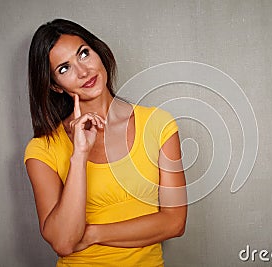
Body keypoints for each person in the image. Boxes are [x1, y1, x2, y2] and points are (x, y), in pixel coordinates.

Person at [24, 18, 187, 267]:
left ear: (98, 52)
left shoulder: (158, 125)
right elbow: (65, 242)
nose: (83, 71)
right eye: (64, 69)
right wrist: (79, 155)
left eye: (84, 54)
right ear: (55, 87)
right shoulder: (42, 149)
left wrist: (92, 233)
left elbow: (175, 222)